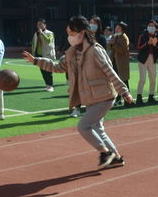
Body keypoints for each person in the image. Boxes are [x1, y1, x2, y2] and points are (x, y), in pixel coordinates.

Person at [22, 15, 133, 169]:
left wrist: (124, 92)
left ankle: (105, 153)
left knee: (83, 126)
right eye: (68, 34)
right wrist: (36, 61)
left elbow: (110, 72)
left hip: (104, 96)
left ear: (81, 33)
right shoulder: (72, 52)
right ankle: (116, 158)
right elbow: (57, 67)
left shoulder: (95, 50)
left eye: (71, 34)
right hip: (90, 97)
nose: (69, 37)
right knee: (97, 129)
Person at [136, 20, 158, 105]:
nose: (151, 27)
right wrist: (147, 43)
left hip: (152, 59)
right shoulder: (142, 35)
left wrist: (155, 45)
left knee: (153, 78)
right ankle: (139, 97)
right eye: (150, 25)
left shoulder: (157, 36)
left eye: (153, 26)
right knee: (142, 79)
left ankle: (151, 96)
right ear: (147, 26)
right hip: (143, 59)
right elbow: (138, 47)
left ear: (155, 28)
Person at [109, 21, 132, 107]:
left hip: (122, 63)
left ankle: (128, 101)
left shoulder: (124, 37)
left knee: (124, 81)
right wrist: (111, 44)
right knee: (117, 82)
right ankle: (118, 100)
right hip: (115, 62)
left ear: (122, 29)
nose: (115, 29)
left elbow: (122, 50)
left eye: (118, 28)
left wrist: (114, 44)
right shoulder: (115, 36)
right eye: (116, 27)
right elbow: (110, 46)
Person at [31, 18, 56, 92]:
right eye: (38, 24)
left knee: (48, 70)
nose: (39, 26)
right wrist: (33, 54)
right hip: (39, 55)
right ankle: (47, 85)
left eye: (40, 24)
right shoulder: (36, 34)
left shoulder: (50, 33)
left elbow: (48, 41)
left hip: (47, 55)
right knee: (42, 71)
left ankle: (51, 86)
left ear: (45, 25)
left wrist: (42, 34)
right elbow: (33, 44)